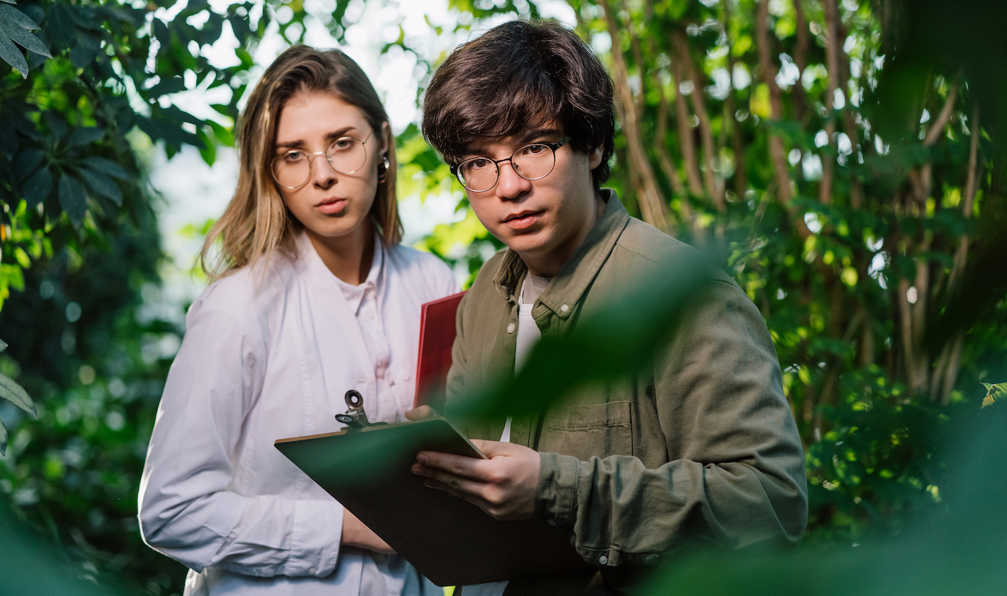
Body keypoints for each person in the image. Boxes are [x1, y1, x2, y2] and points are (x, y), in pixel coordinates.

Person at [410, 20, 808, 594]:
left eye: (534, 149)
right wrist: (436, 460)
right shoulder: (487, 292)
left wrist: (555, 488)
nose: (508, 186)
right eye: (479, 163)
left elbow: (772, 504)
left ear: (592, 145)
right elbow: (486, 477)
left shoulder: (685, 297)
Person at [138, 45, 455, 595]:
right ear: (271, 173)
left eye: (342, 143)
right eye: (293, 154)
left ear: (381, 144)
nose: (323, 175)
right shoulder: (237, 306)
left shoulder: (434, 283)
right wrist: (344, 530)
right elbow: (170, 510)